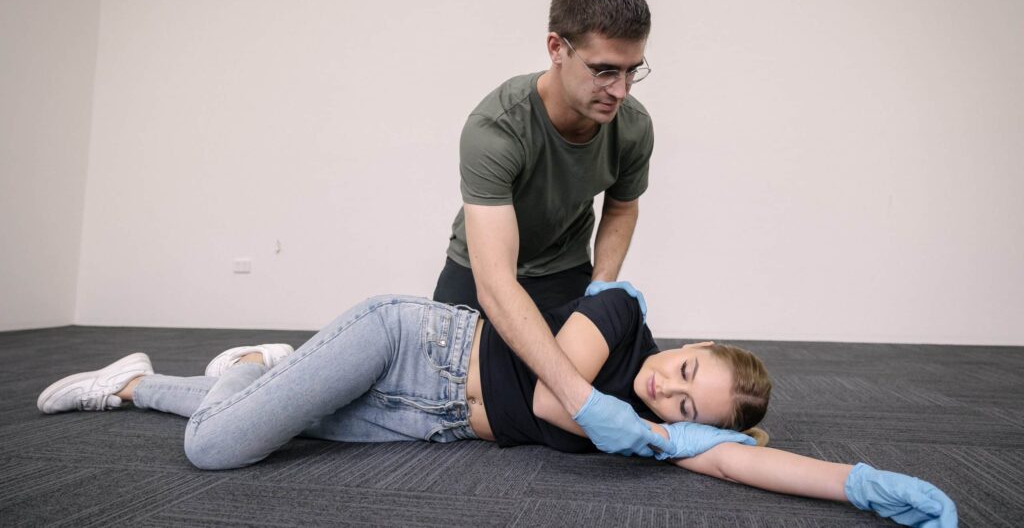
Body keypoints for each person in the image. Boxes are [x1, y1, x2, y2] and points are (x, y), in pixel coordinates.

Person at [37, 290, 956, 527]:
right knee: (219, 452)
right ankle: (253, 368)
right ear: (692, 340)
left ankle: (135, 383)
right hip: (408, 343)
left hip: (426, 420)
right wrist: (631, 425)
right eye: (683, 367)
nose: (665, 388)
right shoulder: (620, 315)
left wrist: (859, 483)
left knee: (254, 421)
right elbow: (559, 397)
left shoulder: (666, 426)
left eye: (686, 402)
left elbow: (740, 459)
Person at [434, 0, 659, 460]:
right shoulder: (496, 128)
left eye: (631, 70)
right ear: (557, 48)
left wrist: (601, 290)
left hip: (563, 272)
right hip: (481, 274)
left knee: (575, 415)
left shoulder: (633, 127)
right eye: (604, 70)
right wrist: (580, 400)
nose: (620, 90)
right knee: (451, 399)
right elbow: (496, 284)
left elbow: (621, 207)